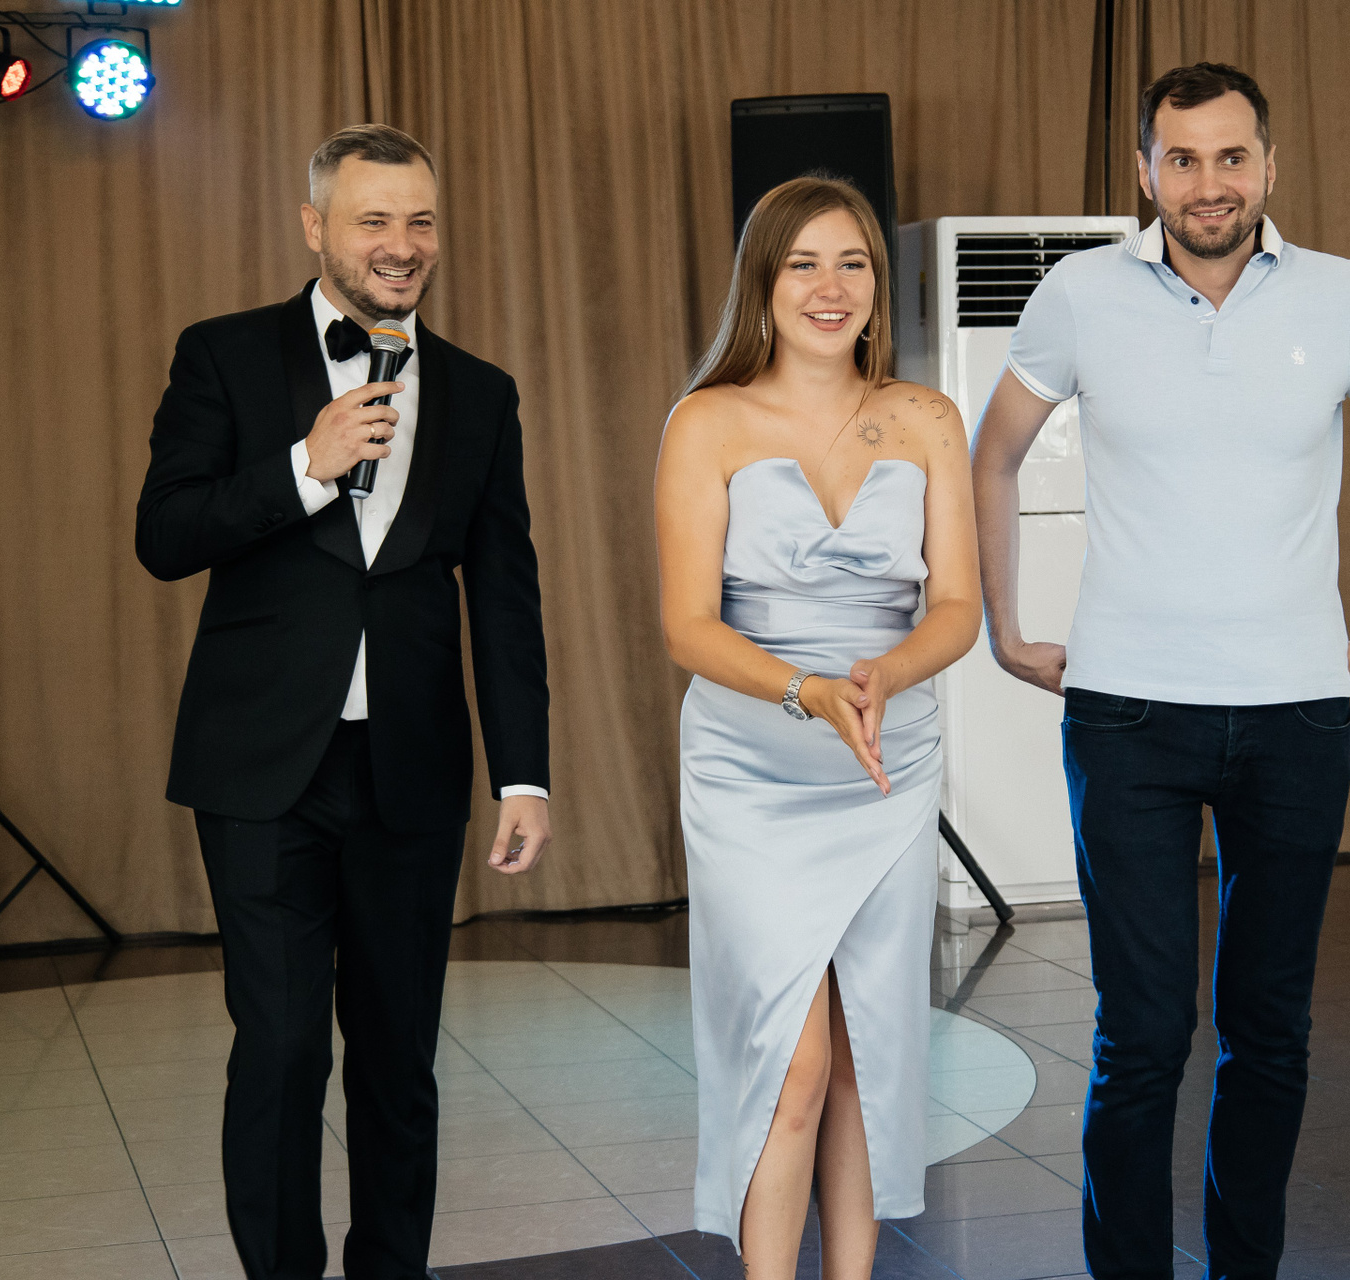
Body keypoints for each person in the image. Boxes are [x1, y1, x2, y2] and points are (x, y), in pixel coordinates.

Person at [972, 64, 1350, 1280]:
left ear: (1269, 166)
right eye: (1182, 159)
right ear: (1145, 171)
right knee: (1141, 1036)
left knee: (1270, 1032)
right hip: (1128, 715)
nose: (1209, 183)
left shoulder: (1346, 297)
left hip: (1297, 715)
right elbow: (992, 457)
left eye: (1231, 156)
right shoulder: (1079, 294)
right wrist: (1003, 627)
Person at [135, 123, 552, 1280]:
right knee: (280, 1050)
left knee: (397, 1058)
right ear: (316, 226)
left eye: (420, 220)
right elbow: (164, 534)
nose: (401, 244)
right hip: (262, 766)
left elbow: (506, 597)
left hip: (411, 771)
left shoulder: (481, 392)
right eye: (374, 220)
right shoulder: (222, 355)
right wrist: (302, 467)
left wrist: (524, 772)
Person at [655, 175, 980, 1279]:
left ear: (878, 285)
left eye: (853, 263)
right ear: (763, 280)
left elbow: (958, 606)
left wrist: (886, 673)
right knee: (789, 1065)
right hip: (751, 772)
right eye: (803, 263)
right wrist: (807, 689)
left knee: (864, 1059)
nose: (829, 286)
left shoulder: (927, 419)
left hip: (885, 765)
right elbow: (688, 626)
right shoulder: (707, 421)